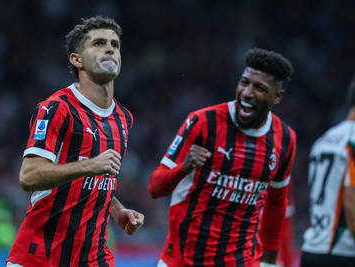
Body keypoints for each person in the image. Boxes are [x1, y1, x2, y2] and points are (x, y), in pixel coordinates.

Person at [6, 16, 144, 267]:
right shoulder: (57, 108)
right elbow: (29, 176)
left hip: (94, 258)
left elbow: (98, 180)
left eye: (115, 44)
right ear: (76, 59)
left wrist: (117, 210)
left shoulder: (124, 118)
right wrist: (91, 165)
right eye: (99, 43)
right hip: (41, 257)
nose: (110, 48)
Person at [148, 48, 296, 267]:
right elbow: (155, 187)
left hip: (242, 261)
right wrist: (184, 167)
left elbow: (276, 204)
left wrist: (270, 262)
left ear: (278, 96)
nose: (247, 92)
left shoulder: (285, 138)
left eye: (259, 88)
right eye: (244, 82)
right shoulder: (202, 122)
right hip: (183, 260)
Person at [301, 76, 355, 266]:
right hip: (343, 252)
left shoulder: (323, 140)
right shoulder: (352, 143)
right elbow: (351, 204)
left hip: (311, 249)